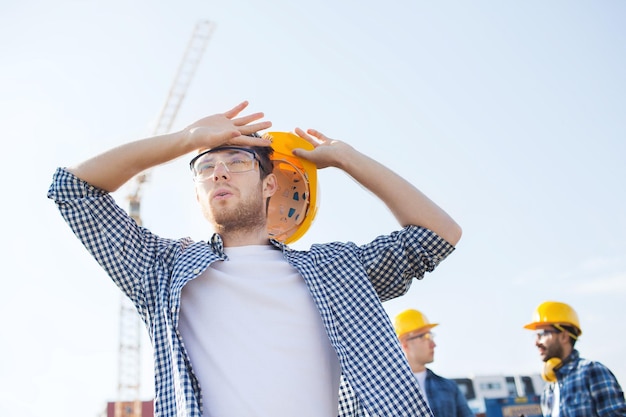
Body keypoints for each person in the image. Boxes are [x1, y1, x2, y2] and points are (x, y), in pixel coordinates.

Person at [48, 101, 462, 417]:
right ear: (198, 195)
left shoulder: (337, 270)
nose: (219, 173)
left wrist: (347, 159)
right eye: (205, 167)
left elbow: (439, 235)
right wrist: (188, 138)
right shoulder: (162, 270)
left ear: (269, 185)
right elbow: (72, 189)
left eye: (237, 162)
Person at [524, 300, 626, 416]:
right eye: (535, 335)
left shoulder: (591, 371)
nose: (536, 342)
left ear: (564, 336)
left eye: (542, 333)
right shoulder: (548, 391)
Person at [393, 309, 473, 417]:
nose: (433, 344)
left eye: (431, 336)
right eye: (424, 337)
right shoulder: (390, 389)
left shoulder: (449, 387)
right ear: (404, 344)